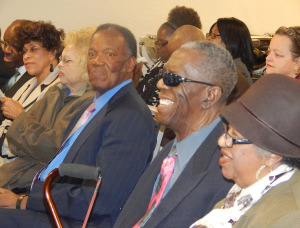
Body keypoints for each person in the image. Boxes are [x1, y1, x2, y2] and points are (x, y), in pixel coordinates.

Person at [0, 23, 156, 228]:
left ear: (130, 64)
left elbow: (102, 199)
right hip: (50, 200)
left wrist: (23, 202)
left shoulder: (129, 115)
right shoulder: (97, 106)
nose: (97, 62)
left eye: (109, 54)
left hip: (75, 220)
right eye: (92, 54)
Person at [114, 41, 237, 228]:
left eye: (173, 79)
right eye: (164, 75)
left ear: (210, 96)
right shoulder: (171, 150)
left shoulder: (228, 168)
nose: (160, 83)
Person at [190, 74, 300, 228]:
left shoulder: (285, 217)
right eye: (227, 130)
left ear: (272, 155)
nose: (222, 141)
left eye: (234, 136)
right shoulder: (247, 190)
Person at [0, 27, 95, 192]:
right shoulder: (55, 92)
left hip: (34, 185)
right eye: (61, 60)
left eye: (67, 61)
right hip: (18, 173)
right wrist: (34, 142)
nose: (60, 65)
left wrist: (21, 119)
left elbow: (54, 150)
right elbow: (16, 145)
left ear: (85, 66)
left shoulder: (88, 103)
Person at [0, 20, 63, 165]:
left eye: (33, 49)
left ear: (53, 52)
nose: (26, 56)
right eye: (25, 51)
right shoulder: (28, 83)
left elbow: (45, 144)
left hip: (20, 169)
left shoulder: (58, 90)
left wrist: (19, 115)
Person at [136, 5, 202, 106]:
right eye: (157, 42)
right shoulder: (160, 62)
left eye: (162, 43)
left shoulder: (184, 72)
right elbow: (141, 90)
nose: (157, 46)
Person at [0, 20, 33, 124]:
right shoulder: (10, 72)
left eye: (13, 45)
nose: (6, 50)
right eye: (5, 43)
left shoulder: (34, 79)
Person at [207, 17, 254, 84]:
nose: (209, 38)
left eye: (214, 35)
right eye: (209, 34)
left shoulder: (234, 71)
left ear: (230, 41)